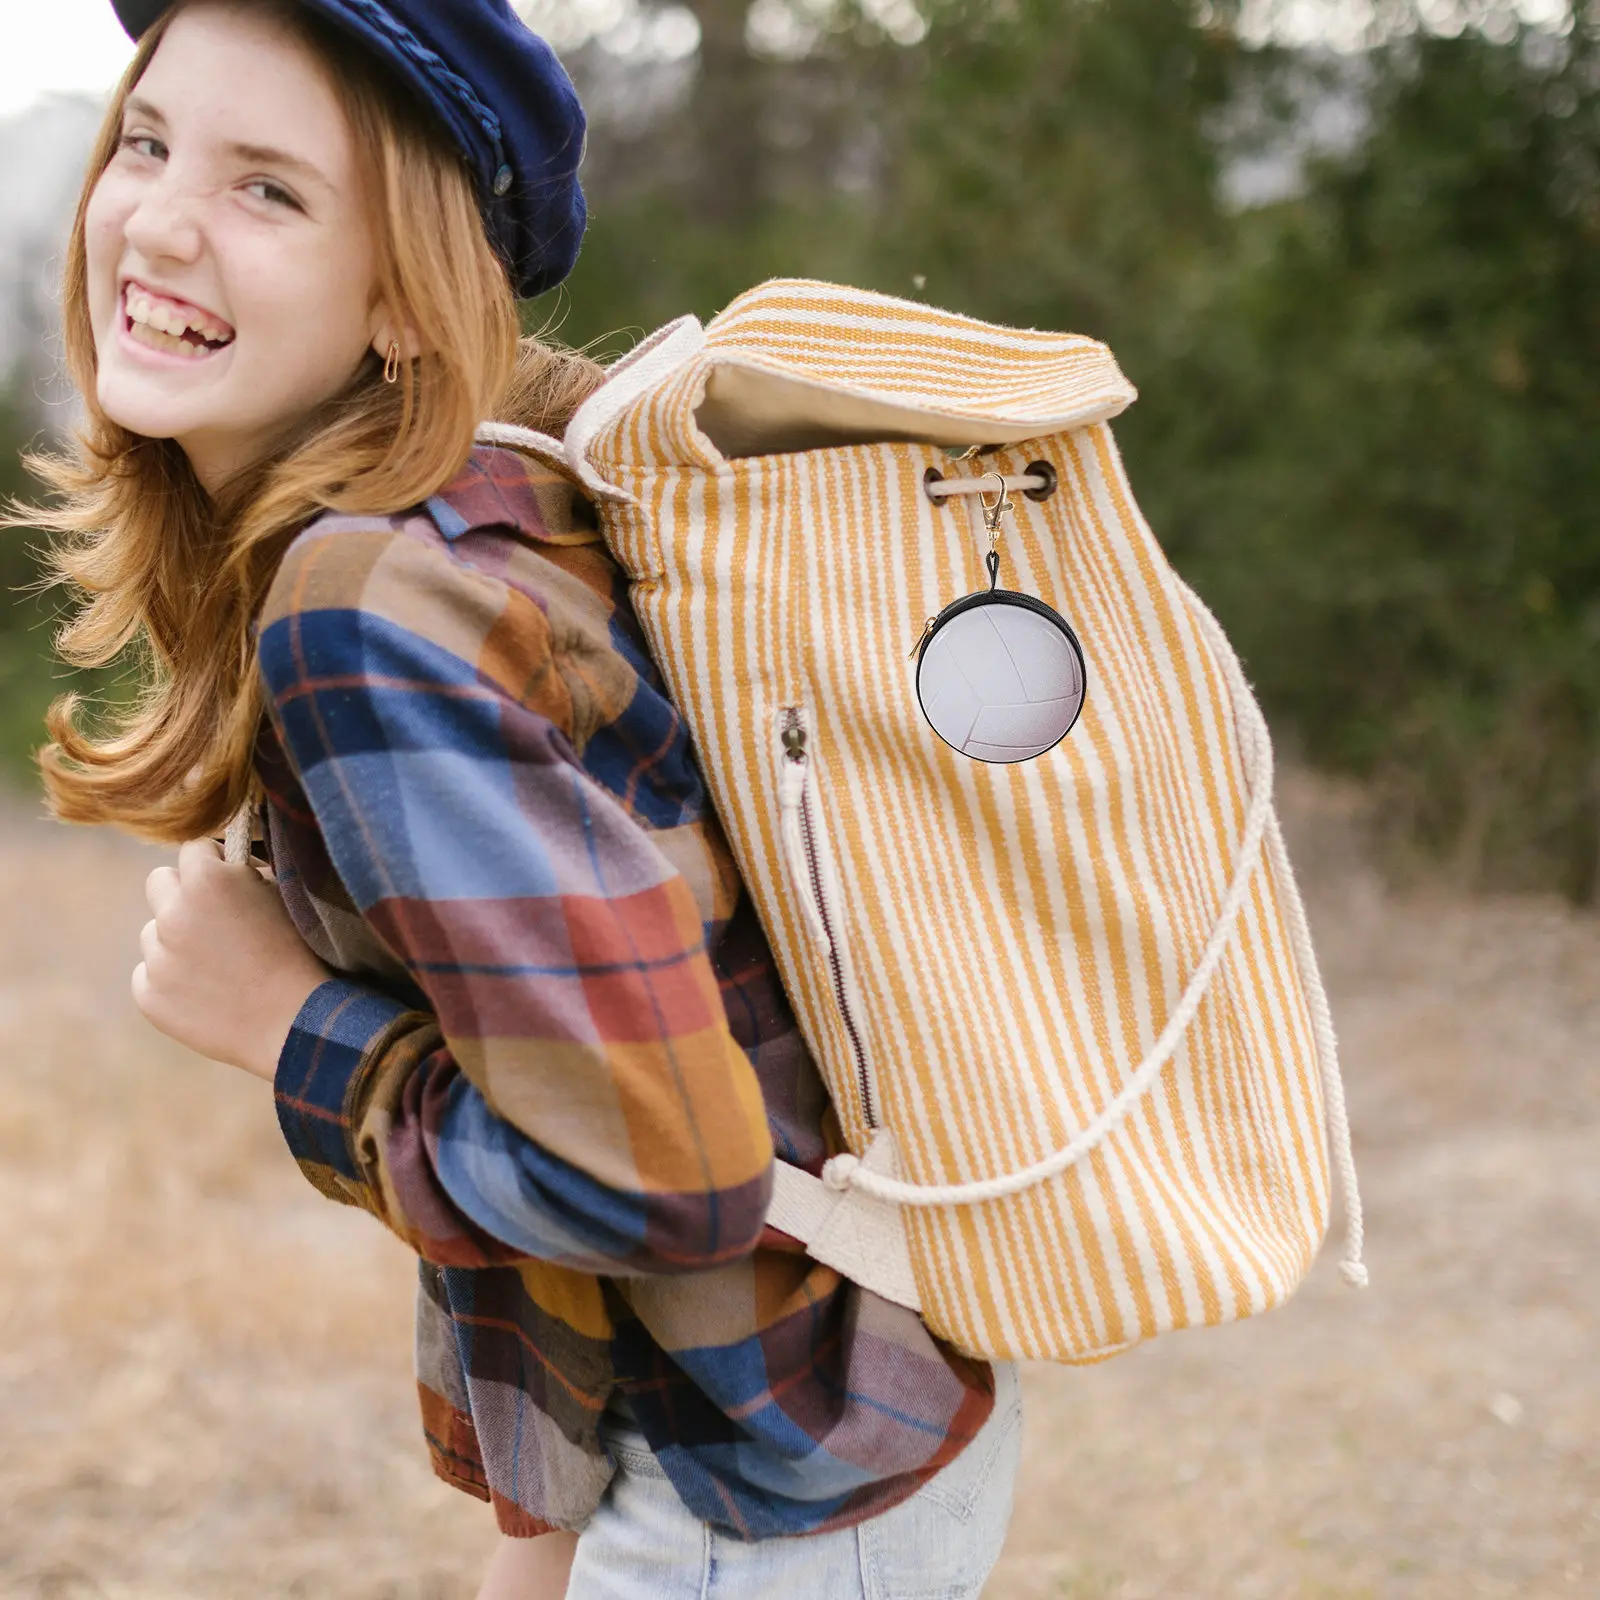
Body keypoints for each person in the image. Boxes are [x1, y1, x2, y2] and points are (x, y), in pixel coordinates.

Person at [16, 2, 1022, 1594]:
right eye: (148, 143)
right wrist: (537, 1548)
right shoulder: (479, 507)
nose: (160, 222)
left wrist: (289, 1026)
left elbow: (656, 1175)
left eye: (268, 188)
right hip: (809, 1437)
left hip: (756, 1496)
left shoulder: (366, 604)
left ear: (405, 299)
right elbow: (561, 1071)